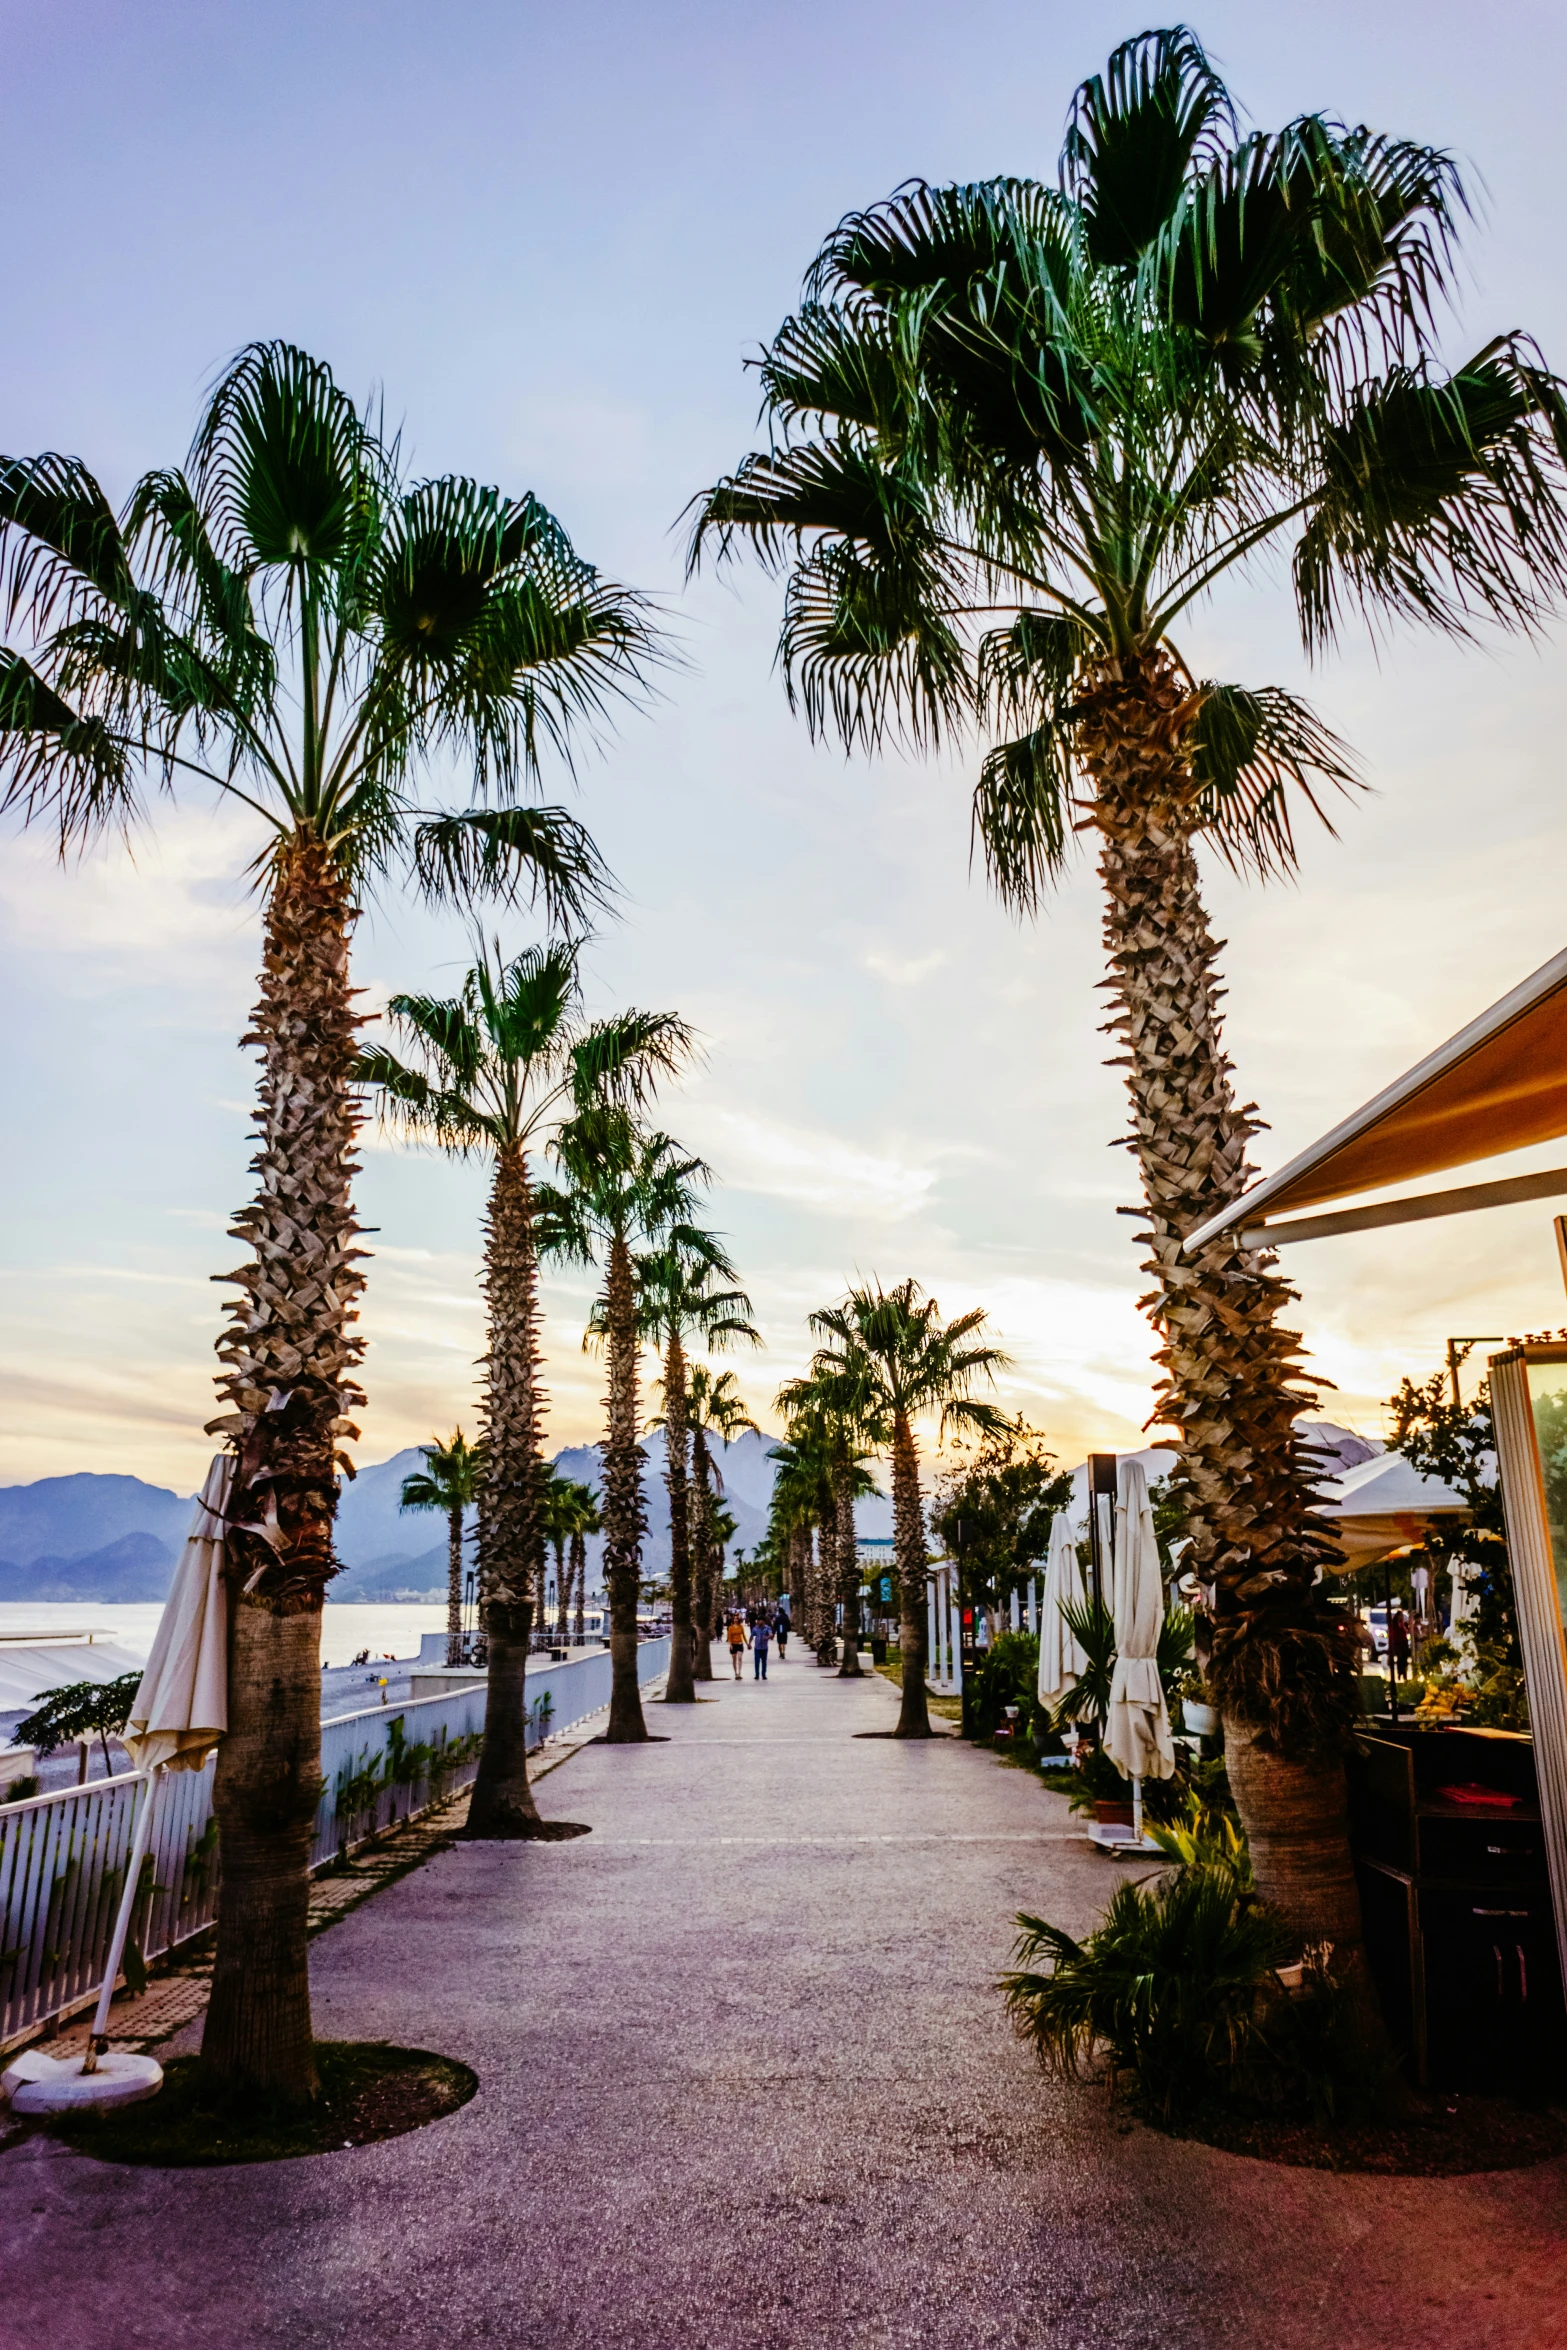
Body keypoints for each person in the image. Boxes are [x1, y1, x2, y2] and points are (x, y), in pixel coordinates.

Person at [751, 1613, 771, 1681]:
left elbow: (771, 1635)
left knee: (764, 1661)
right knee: (757, 1660)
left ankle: (764, 1674)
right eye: (758, 1620)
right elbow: (752, 1635)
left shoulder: (767, 1628)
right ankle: (757, 1675)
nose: (759, 1622)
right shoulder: (755, 1628)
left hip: (764, 1648)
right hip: (757, 1647)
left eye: (760, 1620)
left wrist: (766, 1637)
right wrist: (749, 1643)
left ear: (763, 1621)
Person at [726, 1612, 746, 1680]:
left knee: (739, 1658)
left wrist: (747, 1643)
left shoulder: (741, 1627)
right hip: (733, 1644)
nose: (735, 1620)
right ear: (733, 1620)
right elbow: (729, 1637)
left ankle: (740, 1672)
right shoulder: (730, 1628)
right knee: (734, 1658)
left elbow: (743, 1635)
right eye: (734, 1619)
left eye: (736, 1618)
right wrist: (731, 1644)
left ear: (738, 1619)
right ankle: (735, 1673)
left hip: (740, 1643)